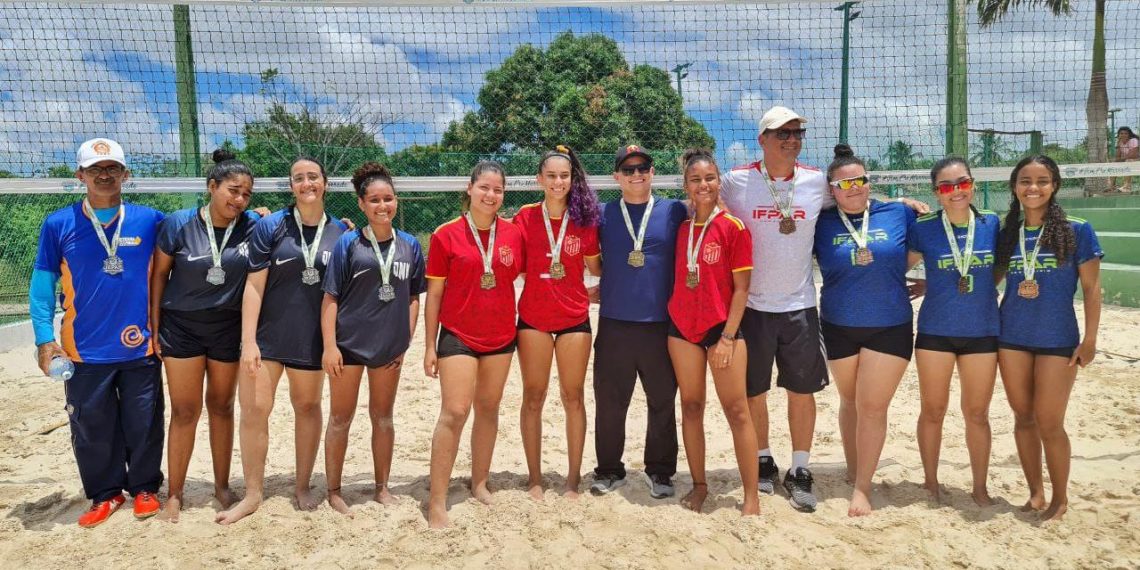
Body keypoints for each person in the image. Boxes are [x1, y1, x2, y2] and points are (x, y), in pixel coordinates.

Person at [30, 138, 166, 527]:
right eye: (95, 169)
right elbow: (42, 287)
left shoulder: (150, 219)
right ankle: (105, 494)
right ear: (80, 175)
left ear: (126, 174)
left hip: (140, 344)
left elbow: (201, 225)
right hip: (82, 349)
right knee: (91, 426)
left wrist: (256, 217)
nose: (104, 175)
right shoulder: (58, 224)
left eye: (112, 168)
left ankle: (143, 487)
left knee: (144, 421)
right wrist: (44, 340)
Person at [216, 156, 348, 525]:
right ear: (291, 186)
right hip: (267, 338)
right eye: (298, 178)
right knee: (255, 411)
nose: (307, 183)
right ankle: (253, 494)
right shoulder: (271, 226)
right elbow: (254, 286)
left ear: (325, 182)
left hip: (310, 339)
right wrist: (249, 341)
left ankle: (303, 486)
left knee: (307, 409)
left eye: (313, 176)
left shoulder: (340, 232)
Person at [718, 106, 833, 513]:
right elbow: (698, 199)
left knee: (802, 392)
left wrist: (901, 201)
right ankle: (764, 459)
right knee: (755, 392)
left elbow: (857, 197)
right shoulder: (736, 181)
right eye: (781, 132)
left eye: (796, 131)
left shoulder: (817, 181)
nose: (791, 138)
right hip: (750, 305)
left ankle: (800, 468)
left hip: (800, 305)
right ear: (762, 139)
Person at [150, 149, 257, 522]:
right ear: (212, 187)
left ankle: (222, 487)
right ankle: (176, 494)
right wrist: (154, 327)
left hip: (226, 327)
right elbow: (158, 276)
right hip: (181, 327)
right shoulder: (179, 223)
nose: (239, 199)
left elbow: (291, 226)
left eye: (246, 194)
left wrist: (342, 225)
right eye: (232, 190)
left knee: (222, 407)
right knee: (184, 410)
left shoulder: (252, 226)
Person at [995, 155, 1103, 521]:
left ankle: (1060, 497)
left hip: (1058, 338)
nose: (1033, 188)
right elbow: (986, 280)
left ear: (1054, 185)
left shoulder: (1077, 230)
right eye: (1025, 180)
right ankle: (1036, 492)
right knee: (1023, 417)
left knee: (1049, 421)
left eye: (1042, 180)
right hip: (1011, 336)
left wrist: (1089, 340)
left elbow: (1091, 289)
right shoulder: (1008, 231)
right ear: (1014, 186)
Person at [812, 144, 917, 516]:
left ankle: (862, 488)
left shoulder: (899, 214)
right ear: (831, 190)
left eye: (860, 180)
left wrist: (928, 283)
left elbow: (939, 245)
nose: (853, 187)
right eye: (844, 183)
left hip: (890, 324)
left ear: (869, 183)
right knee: (850, 401)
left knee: (872, 406)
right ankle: (856, 468)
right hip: (838, 324)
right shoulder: (820, 221)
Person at [423, 161, 526, 528]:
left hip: (501, 336)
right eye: (484, 187)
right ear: (469, 189)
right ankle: (436, 501)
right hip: (458, 335)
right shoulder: (446, 234)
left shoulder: (514, 234)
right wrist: (429, 346)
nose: (491, 195)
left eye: (498, 190)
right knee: (454, 411)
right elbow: (434, 295)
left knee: (489, 408)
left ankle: (479, 481)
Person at [320, 162, 425, 515]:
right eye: (375, 200)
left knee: (383, 417)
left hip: (388, 348)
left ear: (397, 202)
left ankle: (382, 488)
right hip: (348, 346)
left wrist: (405, 341)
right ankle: (334, 490)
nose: (383, 206)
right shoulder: (348, 244)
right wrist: (331, 346)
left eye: (389, 199)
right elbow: (331, 298)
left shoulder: (410, 245)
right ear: (362, 205)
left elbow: (413, 298)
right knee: (340, 418)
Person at [590, 144, 688, 499]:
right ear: (616, 176)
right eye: (628, 169)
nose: (636, 174)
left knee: (662, 401)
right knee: (610, 401)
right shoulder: (603, 213)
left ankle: (660, 471)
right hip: (615, 321)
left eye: (642, 167)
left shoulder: (675, 210)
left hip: (661, 323)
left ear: (652, 172)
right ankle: (609, 469)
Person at [665, 149, 759, 515]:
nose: (703, 185)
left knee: (737, 410)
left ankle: (750, 496)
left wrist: (727, 338)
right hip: (682, 328)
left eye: (709, 178)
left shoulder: (733, 227)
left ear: (719, 182)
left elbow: (742, 290)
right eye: (695, 180)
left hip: (722, 330)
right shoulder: (683, 228)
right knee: (690, 406)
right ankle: (700, 485)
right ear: (686, 186)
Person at [907, 157, 1001, 506]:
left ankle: (979, 487)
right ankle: (930, 483)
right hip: (935, 332)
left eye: (962, 183)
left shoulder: (992, 223)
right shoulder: (925, 226)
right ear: (937, 193)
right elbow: (897, 265)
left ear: (973, 184)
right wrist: (935, 285)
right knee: (933, 410)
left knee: (977, 414)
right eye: (947, 187)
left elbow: (1002, 266)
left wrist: (945, 283)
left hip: (982, 330)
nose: (956, 191)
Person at [513, 146, 601, 500]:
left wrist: (595, 291)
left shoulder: (584, 219)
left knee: (573, 396)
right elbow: (512, 263)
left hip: (573, 317)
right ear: (539, 179)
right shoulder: (524, 216)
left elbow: (596, 269)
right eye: (551, 176)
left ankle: (573, 480)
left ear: (572, 179)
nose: (558, 182)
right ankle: (535, 478)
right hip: (533, 317)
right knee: (533, 396)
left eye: (564, 176)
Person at [1112, 127, 1138, 193]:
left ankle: (1127, 187)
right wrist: (1118, 144)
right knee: (1113, 163)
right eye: (1121, 133)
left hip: (1136, 159)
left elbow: (1134, 155)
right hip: (1129, 160)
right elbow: (1117, 157)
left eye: (1126, 133)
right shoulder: (1120, 142)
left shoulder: (1133, 140)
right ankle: (1112, 186)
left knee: (1128, 161)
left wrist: (1121, 159)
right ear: (1118, 135)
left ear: (1129, 135)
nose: (1123, 135)